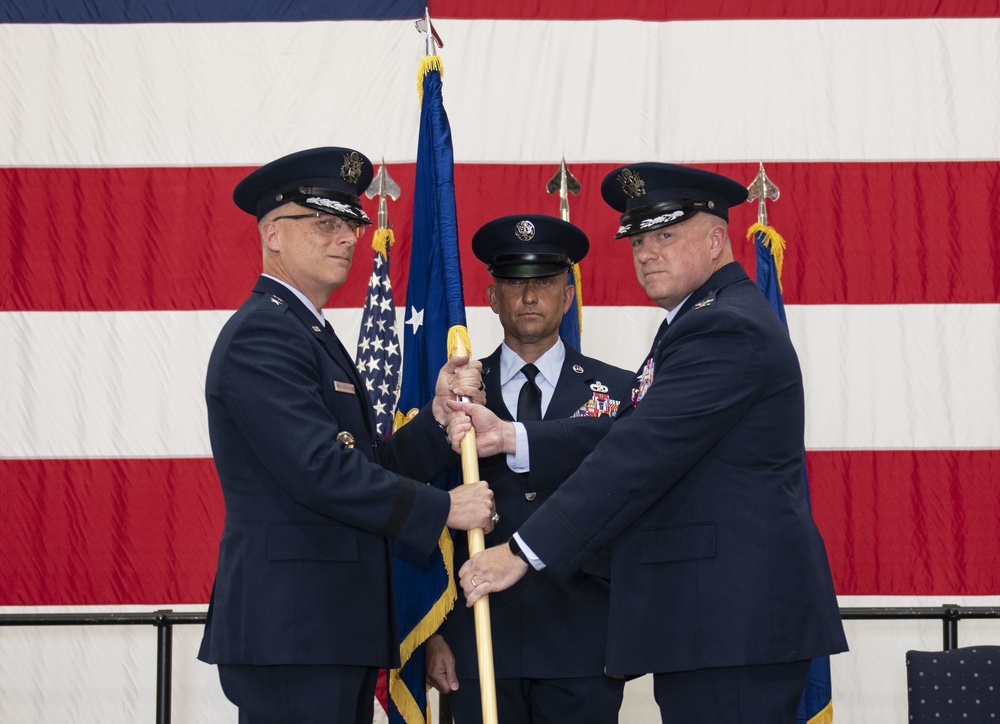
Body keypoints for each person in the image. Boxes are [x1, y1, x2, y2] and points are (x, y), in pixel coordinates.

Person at [449, 164, 849, 723]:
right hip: (710, 624)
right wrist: (514, 435)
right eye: (638, 240)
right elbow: (632, 432)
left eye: (665, 236)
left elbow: (637, 454)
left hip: (730, 622)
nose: (646, 254)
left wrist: (521, 552)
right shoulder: (697, 322)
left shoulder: (724, 327)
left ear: (716, 241)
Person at [197, 146, 496, 724]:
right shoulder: (264, 335)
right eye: (325, 223)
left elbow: (365, 459)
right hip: (294, 627)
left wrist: (435, 421)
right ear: (273, 235)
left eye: (352, 224)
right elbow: (319, 470)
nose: (348, 238)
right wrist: (444, 509)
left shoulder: (306, 332)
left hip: (327, 624)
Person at [425, 215, 634, 724]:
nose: (529, 297)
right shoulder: (453, 394)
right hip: (478, 636)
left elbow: (630, 508)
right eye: (515, 284)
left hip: (584, 639)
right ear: (493, 298)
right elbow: (424, 510)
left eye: (544, 282)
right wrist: (431, 633)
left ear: (568, 296)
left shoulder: (621, 394)